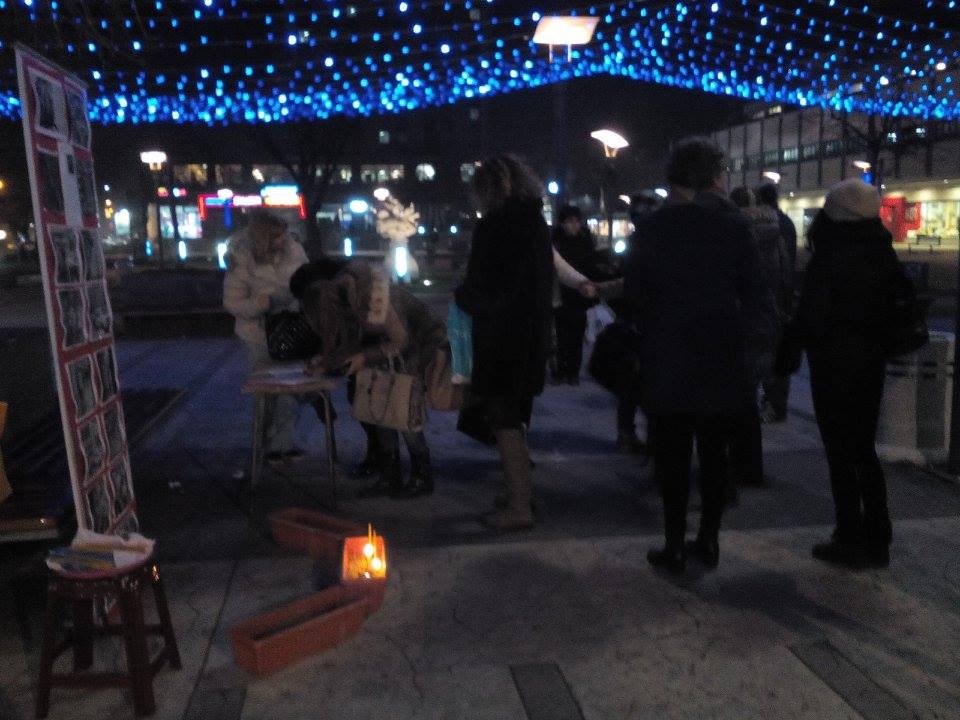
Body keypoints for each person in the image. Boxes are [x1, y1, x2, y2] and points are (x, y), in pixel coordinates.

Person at [623, 137, 766, 573]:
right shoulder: (733, 226)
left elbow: (634, 295)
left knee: (672, 456)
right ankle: (708, 539)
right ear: (713, 177)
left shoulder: (653, 228)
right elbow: (755, 295)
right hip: (720, 354)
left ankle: (673, 543)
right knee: (714, 454)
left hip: (668, 355)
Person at [791, 179, 906, 568]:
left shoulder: (830, 254)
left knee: (840, 452)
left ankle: (849, 533)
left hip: (833, 364)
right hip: (870, 362)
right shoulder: (882, 251)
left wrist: (790, 349)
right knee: (863, 449)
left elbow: (811, 314)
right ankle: (878, 535)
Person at [454, 154, 554, 530]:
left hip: (503, 340)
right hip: (529, 338)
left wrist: (464, 297)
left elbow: (491, 288)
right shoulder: (534, 221)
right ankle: (519, 493)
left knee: (505, 421)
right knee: (515, 420)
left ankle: (519, 505)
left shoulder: (497, 226)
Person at [303, 260, 445, 498]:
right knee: (380, 408)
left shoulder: (374, 296)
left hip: (419, 344)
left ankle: (422, 475)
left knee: (404, 411)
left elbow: (402, 340)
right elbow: (353, 340)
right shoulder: (346, 297)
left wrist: (365, 357)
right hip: (390, 348)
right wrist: (328, 361)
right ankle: (390, 475)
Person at [223, 209, 309, 467]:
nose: (282, 241)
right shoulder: (242, 259)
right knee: (265, 392)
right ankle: (263, 443)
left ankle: (282, 444)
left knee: (290, 389)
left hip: (289, 329)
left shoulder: (294, 251)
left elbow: (306, 281)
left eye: (283, 235)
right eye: (275, 237)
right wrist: (259, 304)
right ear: (262, 239)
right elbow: (232, 302)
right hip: (257, 333)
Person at [726, 187, 790, 489]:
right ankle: (752, 468)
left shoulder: (735, 233)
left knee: (735, 394)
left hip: (739, 320)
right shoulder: (776, 232)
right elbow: (785, 276)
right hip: (767, 317)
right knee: (751, 394)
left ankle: (735, 464)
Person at [756, 182, 798, 423]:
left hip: (770, 296)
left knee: (768, 353)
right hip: (784, 297)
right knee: (779, 354)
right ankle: (775, 402)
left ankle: (773, 403)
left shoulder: (766, 226)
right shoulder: (787, 223)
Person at [552, 205, 597, 385]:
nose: (574, 225)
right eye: (570, 221)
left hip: (579, 295)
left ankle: (573, 371)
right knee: (561, 334)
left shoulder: (585, 240)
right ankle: (561, 369)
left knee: (577, 334)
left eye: (576, 221)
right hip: (561, 295)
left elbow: (591, 264)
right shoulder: (556, 240)